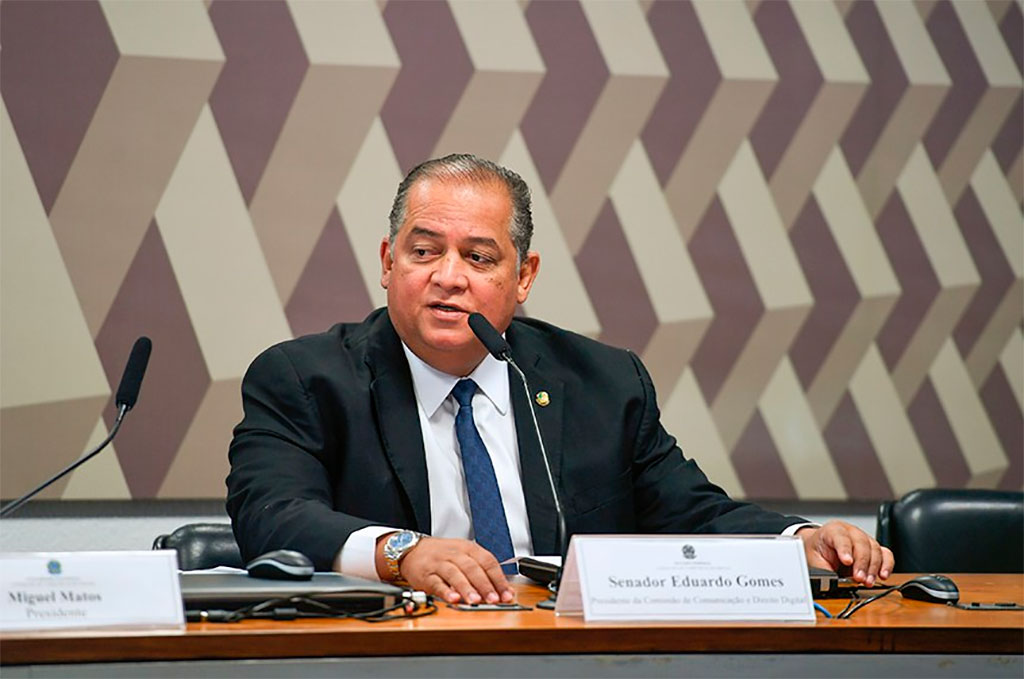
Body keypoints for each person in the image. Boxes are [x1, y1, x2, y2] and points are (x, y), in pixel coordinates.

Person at [226, 154, 893, 606]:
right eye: (424, 250)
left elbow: (691, 511)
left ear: (524, 278)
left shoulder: (603, 382)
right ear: (387, 261)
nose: (448, 275)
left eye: (479, 257)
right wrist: (403, 553)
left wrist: (795, 542)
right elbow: (272, 515)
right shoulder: (306, 380)